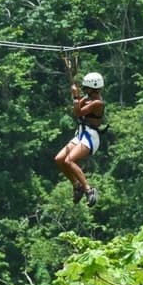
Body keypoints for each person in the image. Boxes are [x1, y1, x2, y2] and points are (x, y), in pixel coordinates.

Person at [54, 72, 105, 206]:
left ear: (93, 88)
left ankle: (89, 190)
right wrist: (76, 97)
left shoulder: (98, 103)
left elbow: (78, 112)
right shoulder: (88, 98)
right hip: (81, 134)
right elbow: (76, 110)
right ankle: (77, 186)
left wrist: (76, 96)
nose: (85, 90)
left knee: (69, 160)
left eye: (86, 88)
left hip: (91, 137)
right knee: (59, 159)